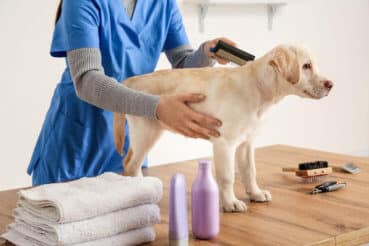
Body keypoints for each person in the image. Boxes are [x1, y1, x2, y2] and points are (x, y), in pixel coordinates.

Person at [27, 0, 237, 185]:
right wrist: (156, 107)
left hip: (129, 137)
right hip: (77, 143)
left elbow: (183, 63)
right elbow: (87, 79)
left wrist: (206, 53)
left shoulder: (162, 4)